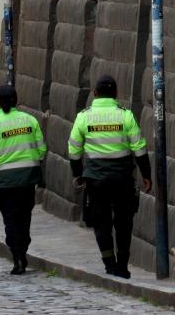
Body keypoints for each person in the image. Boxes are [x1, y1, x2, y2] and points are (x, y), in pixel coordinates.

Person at [68, 75, 152, 279]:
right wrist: (146, 175)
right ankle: (122, 265)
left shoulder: (83, 117)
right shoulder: (125, 115)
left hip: (96, 179)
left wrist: (78, 175)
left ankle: (109, 264)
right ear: (116, 93)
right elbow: (139, 149)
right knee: (124, 222)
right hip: (122, 177)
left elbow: (74, 151)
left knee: (101, 222)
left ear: (94, 94)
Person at [0, 85, 46, 275]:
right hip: (27, 179)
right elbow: (41, 150)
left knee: (11, 219)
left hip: (5, 181)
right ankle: (22, 249)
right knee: (25, 217)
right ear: (16, 100)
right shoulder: (30, 121)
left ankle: (17, 257)